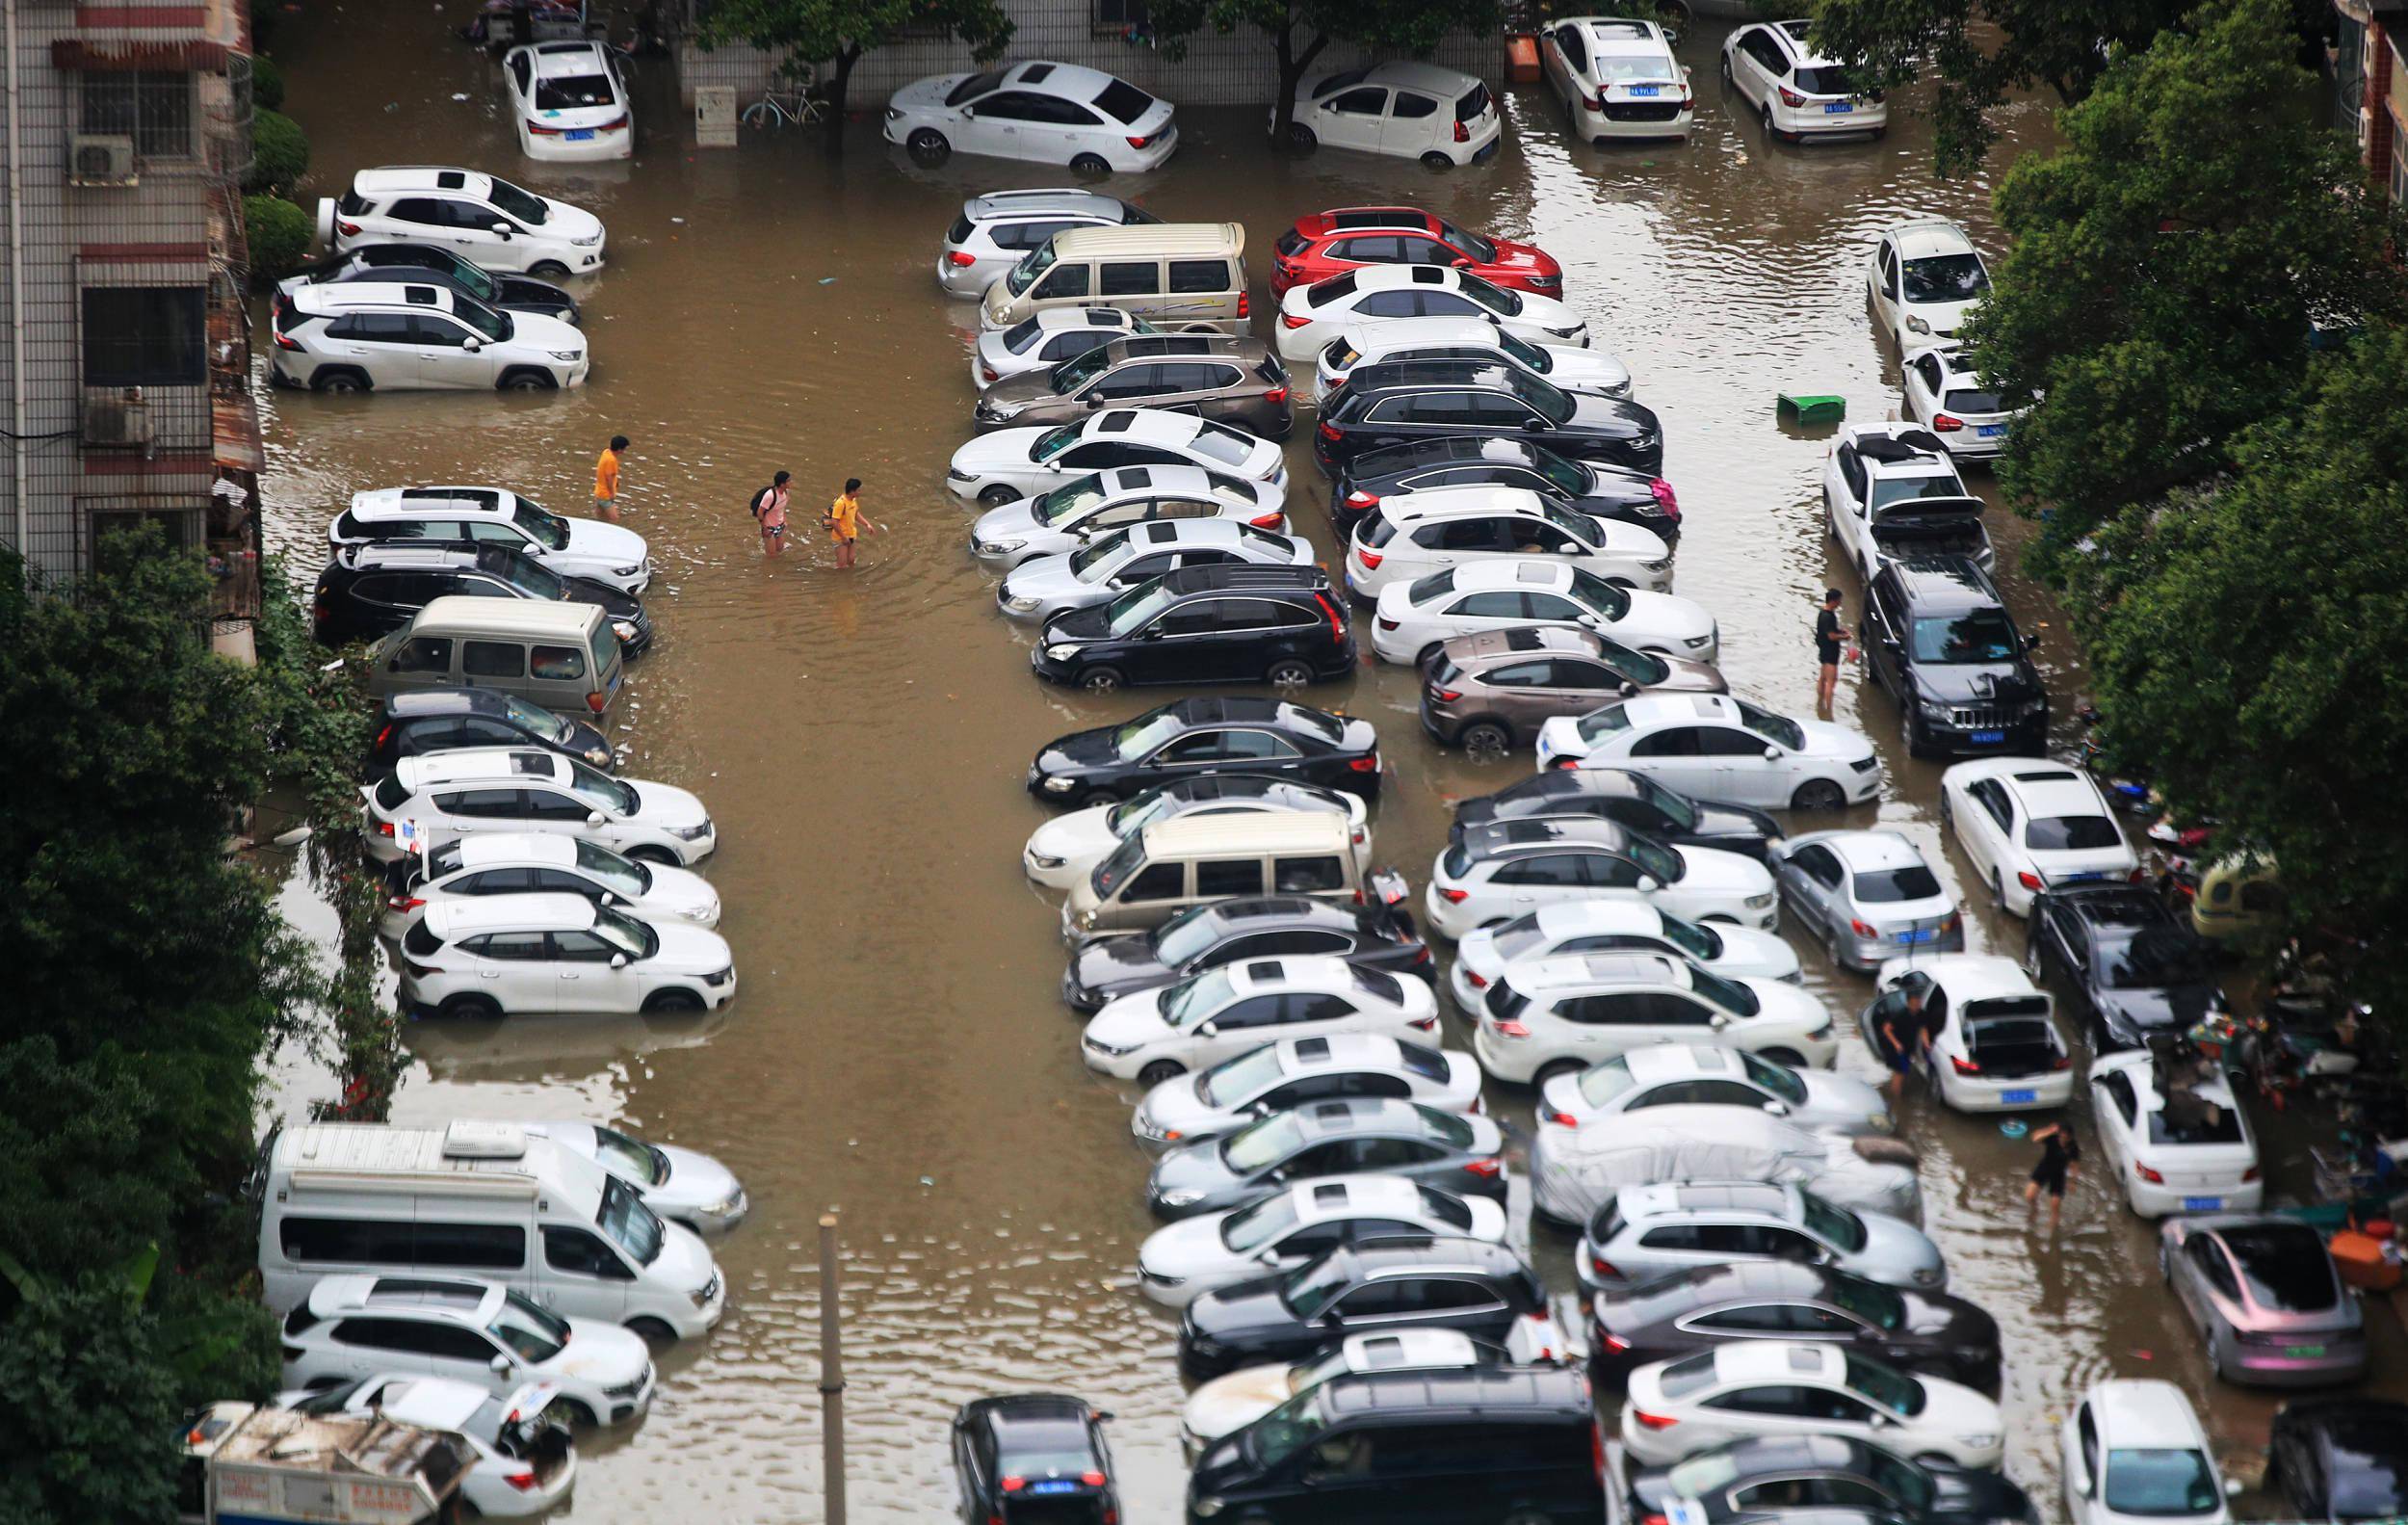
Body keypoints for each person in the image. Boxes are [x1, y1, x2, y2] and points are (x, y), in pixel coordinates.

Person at [2026, 1120, 2081, 1229]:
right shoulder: (2052, 1137)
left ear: (2070, 1137)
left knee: (2055, 1204)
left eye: (2065, 1137)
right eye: (2061, 1136)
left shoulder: (2073, 1147)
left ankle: (2054, 1224)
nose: (2062, 1140)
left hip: (2059, 1174)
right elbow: (2035, 1138)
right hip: (2044, 1168)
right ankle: (2035, 1209)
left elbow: (2074, 1165)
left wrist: (2073, 1181)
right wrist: (2049, 1130)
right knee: (2029, 1196)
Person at [824, 477, 880, 569]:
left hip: (851, 535)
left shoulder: (853, 500)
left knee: (851, 560)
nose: (860, 492)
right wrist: (843, 537)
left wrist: (867, 524)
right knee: (841, 565)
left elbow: (856, 514)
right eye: (858, 490)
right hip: (840, 538)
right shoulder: (840, 503)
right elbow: (834, 522)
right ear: (852, 491)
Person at [1815, 588, 1845, 711]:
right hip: (1830, 653)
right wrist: (1845, 636)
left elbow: (1831, 631)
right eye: (1839, 600)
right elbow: (1831, 636)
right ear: (1833, 601)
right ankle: (1828, 711)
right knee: (1831, 682)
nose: (1840, 603)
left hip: (1824, 650)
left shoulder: (1824, 613)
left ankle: (1819, 704)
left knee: (1823, 678)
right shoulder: (1828, 617)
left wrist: (1840, 631)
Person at [751, 471, 791, 557]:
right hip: (770, 528)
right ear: (782, 484)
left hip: (780, 526)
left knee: (780, 551)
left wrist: (784, 521)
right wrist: (765, 528)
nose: (791, 482)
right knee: (771, 556)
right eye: (788, 481)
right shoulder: (770, 496)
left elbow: (782, 508)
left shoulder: (786, 492)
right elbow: (760, 512)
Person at [594, 434, 628, 522]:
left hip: (599, 492)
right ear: (620, 449)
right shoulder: (611, 460)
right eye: (624, 449)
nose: (624, 451)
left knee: (600, 518)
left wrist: (616, 482)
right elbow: (609, 478)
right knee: (615, 519)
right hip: (605, 495)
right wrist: (612, 494)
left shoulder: (606, 452)